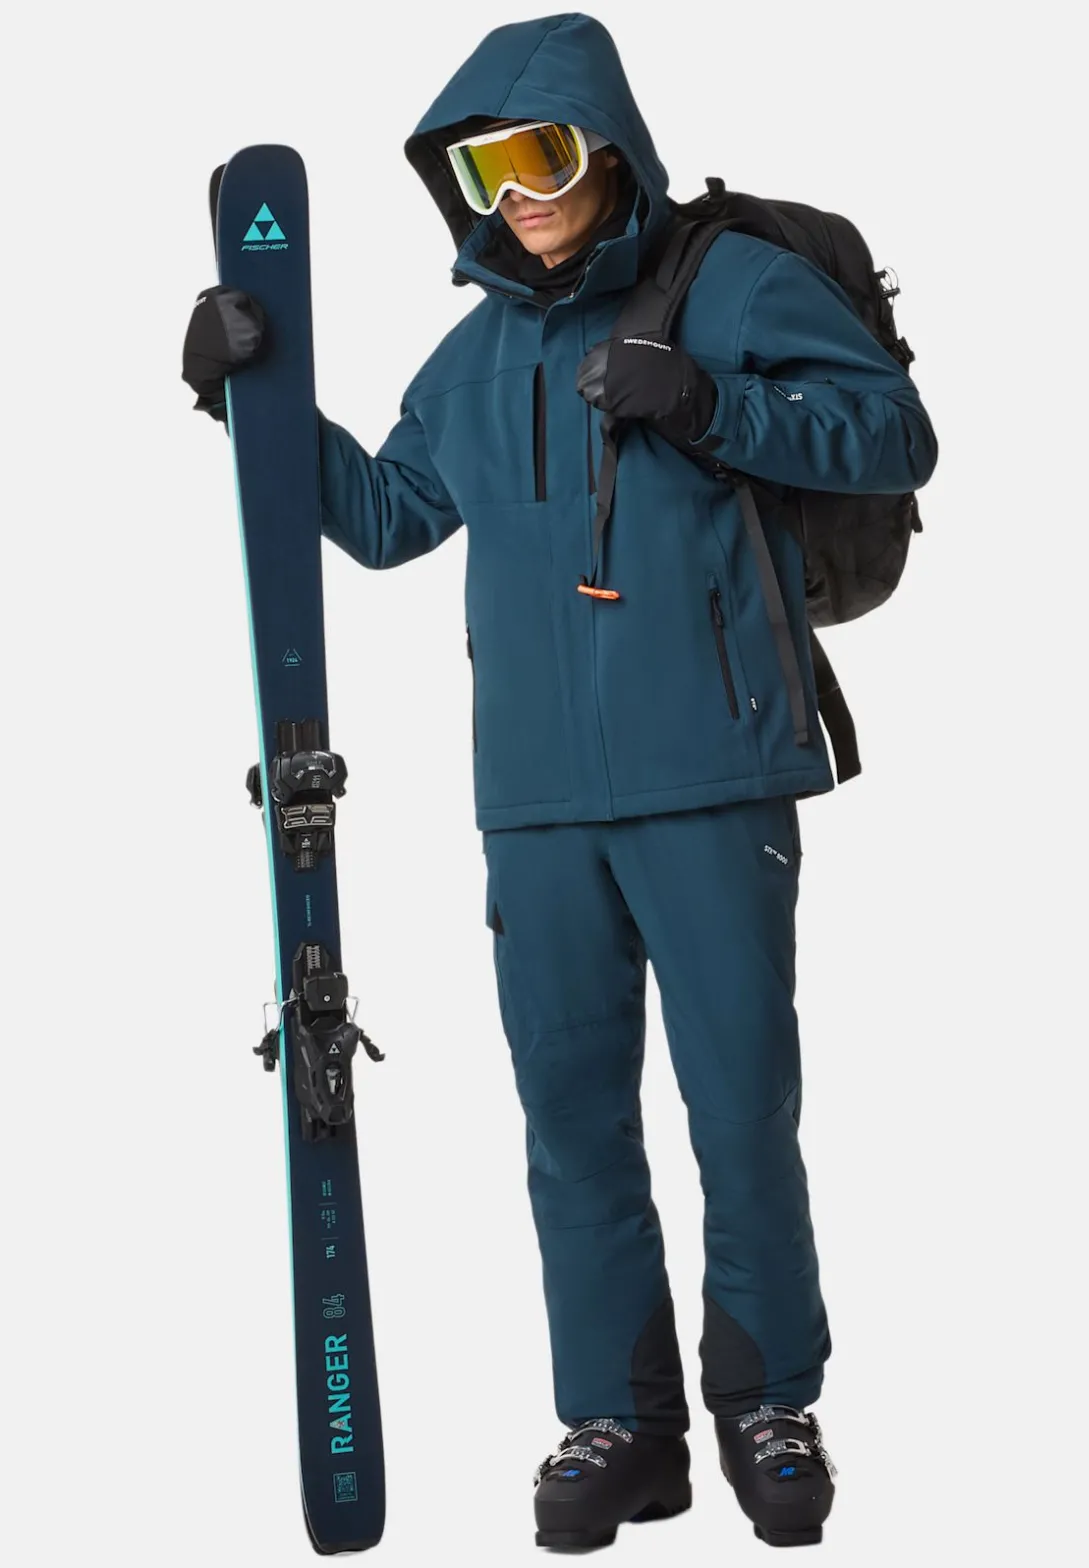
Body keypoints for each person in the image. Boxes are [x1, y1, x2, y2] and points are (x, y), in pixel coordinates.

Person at [183, 13, 936, 1552]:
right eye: (485, 170)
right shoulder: (471, 361)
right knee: (571, 1122)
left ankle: (768, 1405)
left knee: (739, 1108)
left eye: (541, 156)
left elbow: (895, 434)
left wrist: (712, 403)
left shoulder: (731, 285)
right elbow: (386, 516)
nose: (518, 195)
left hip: (710, 771)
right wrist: (255, 409)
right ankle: (620, 1422)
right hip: (532, 802)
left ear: (608, 150)